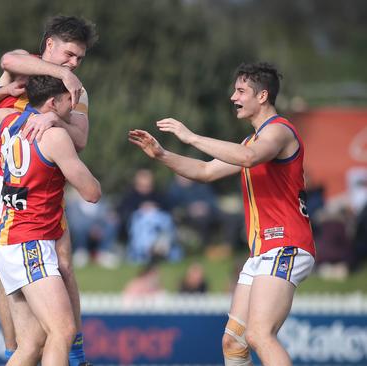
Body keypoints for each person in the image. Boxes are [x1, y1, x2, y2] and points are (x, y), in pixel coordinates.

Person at [129, 62, 316, 366]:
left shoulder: (279, 131)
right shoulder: (251, 141)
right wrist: (162, 155)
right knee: (233, 343)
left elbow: (249, 158)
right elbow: (204, 170)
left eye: (241, 90)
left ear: (263, 95)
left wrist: (190, 137)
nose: (233, 97)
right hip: (262, 253)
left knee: (259, 334)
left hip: (286, 245)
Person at [0, 15, 97, 364]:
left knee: (63, 262)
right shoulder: (22, 66)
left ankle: (73, 352)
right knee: (7, 268)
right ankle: (17, 350)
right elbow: (7, 61)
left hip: (42, 177)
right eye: (70, 55)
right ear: (49, 45)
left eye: (79, 60)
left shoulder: (76, 90)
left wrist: (56, 118)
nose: (74, 64)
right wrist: (62, 74)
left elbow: (82, 137)